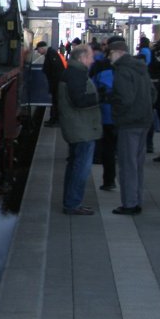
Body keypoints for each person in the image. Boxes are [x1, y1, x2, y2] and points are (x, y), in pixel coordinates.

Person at [107, 38, 155, 215]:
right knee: (137, 164)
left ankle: (129, 204)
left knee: (127, 165)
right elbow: (152, 93)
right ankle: (137, 200)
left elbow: (124, 99)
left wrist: (116, 112)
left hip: (129, 123)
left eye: (110, 53)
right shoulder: (141, 68)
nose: (109, 57)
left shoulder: (122, 70)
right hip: (144, 121)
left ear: (118, 53)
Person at [59, 44, 102, 215]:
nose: (92, 61)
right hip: (81, 128)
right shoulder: (76, 74)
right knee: (80, 168)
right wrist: (101, 97)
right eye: (90, 57)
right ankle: (72, 203)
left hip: (78, 126)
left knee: (75, 165)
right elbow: (79, 100)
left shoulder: (73, 72)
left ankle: (71, 202)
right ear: (82, 58)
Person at [90, 37, 118, 191]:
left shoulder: (100, 66)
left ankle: (109, 181)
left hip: (106, 114)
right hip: (125, 116)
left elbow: (92, 87)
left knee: (107, 147)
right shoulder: (133, 66)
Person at [42, 40, 67, 126]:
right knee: (55, 101)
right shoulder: (50, 54)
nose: (38, 51)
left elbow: (55, 70)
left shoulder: (51, 54)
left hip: (57, 83)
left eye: (38, 49)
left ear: (42, 48)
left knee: (56, 101)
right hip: (56, 83)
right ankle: (54, 120)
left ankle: (55, 120)